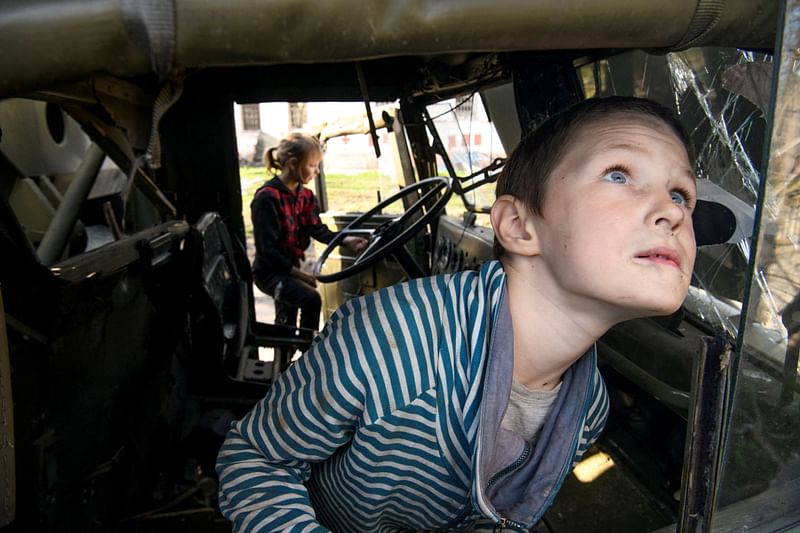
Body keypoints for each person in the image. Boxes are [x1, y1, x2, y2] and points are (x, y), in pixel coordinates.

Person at [217, 96, 724, 531]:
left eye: (681, 193)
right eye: (620, 174)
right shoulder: (391, 342)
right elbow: (256, 459)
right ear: (520, 226)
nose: (674, 211)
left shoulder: (586, 407)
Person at [250, 132, 367, 331]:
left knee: (288, 315)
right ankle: (306, 351)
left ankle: (289, 352)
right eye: (312, 165)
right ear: (294, 163)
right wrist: (301, 276)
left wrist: (346, 239)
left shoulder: (306, 196)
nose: (317, 171)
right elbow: (268, 252)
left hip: (290, 268)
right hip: (269, 272)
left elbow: (316, 229)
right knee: (310, 299)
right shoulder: (266, 199)